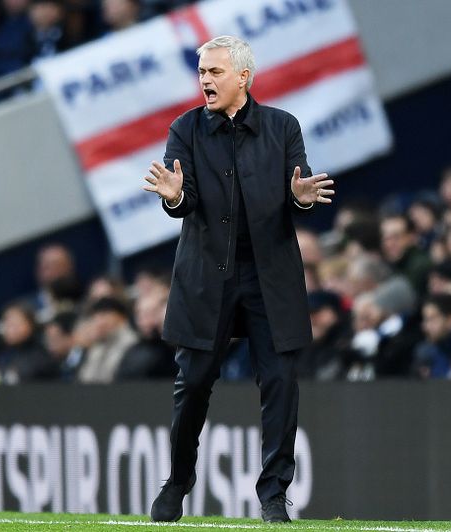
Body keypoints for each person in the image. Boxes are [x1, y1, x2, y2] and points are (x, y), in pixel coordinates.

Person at [140, 35, 334, 523]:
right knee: (194, 381)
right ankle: (178, 480)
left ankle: (274, 494)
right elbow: (183, 201)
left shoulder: (282, 126)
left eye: (215, 72)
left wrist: (301, 198)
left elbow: (299, 191)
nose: (205, 80)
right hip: (207, 275)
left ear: (243, 77)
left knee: (281, 382)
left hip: (270, 275)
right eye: (202, 72)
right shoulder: (185, 128)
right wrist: (174, 196)